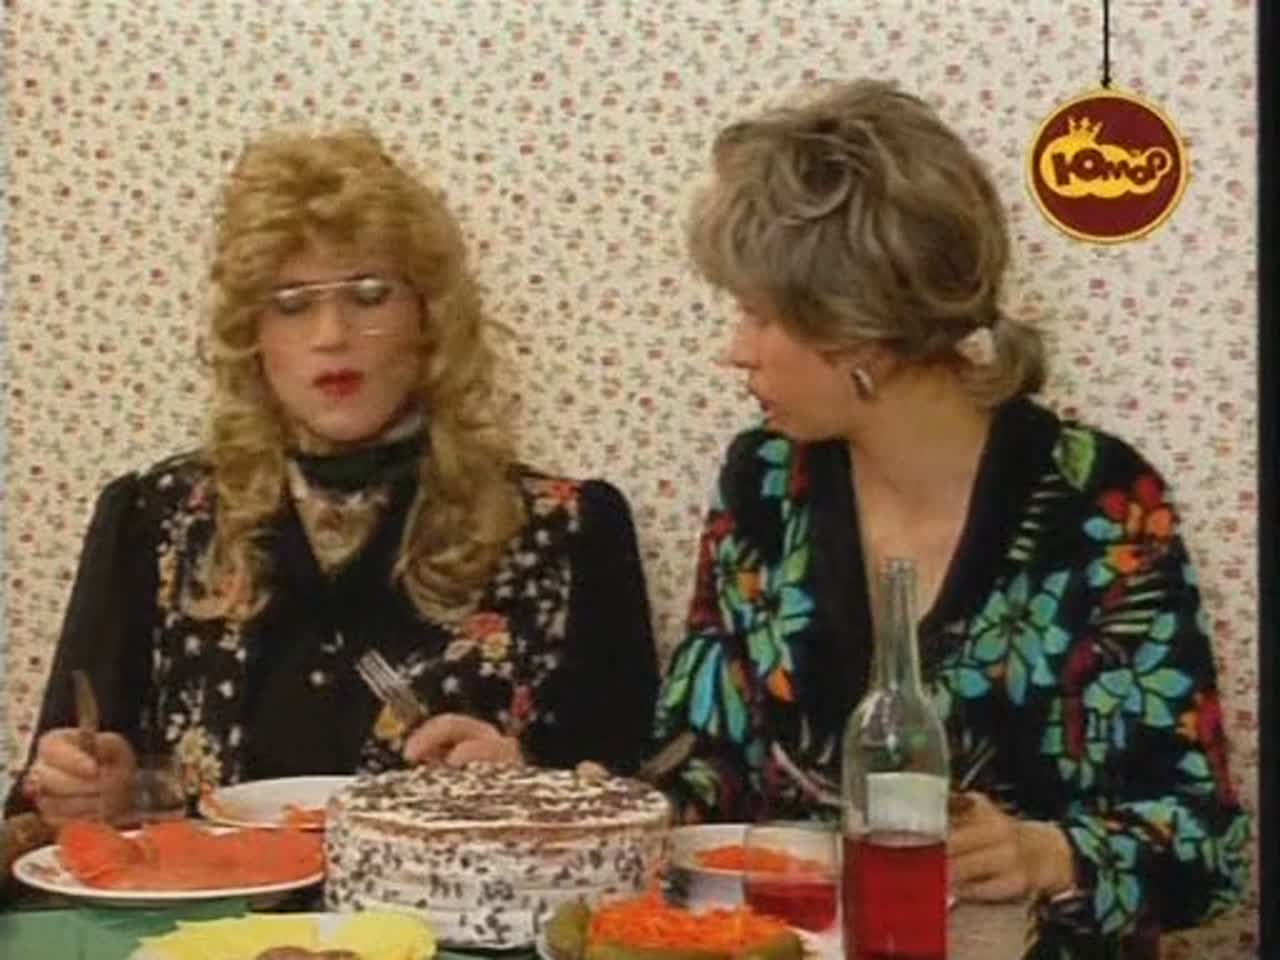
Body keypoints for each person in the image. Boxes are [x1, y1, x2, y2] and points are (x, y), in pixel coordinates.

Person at [651, 79, 1248, 953]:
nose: (733, 352)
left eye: (757, 315)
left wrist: (1046, 854)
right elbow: (702, 763)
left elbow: (1207, 849)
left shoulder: (1098, 501)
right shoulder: (764, 484)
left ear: (856, 325)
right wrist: (578, 805)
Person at [7, 127, 657, 826]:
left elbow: (638, 812)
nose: (331, 335)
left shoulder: (570, 528)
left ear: (429, 319)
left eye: (370, 295)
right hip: (200, 899)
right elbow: (44, 805)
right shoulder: (153, 518)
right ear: (252, 336)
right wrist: (90, 795)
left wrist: (529, 787)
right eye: (291, 303)